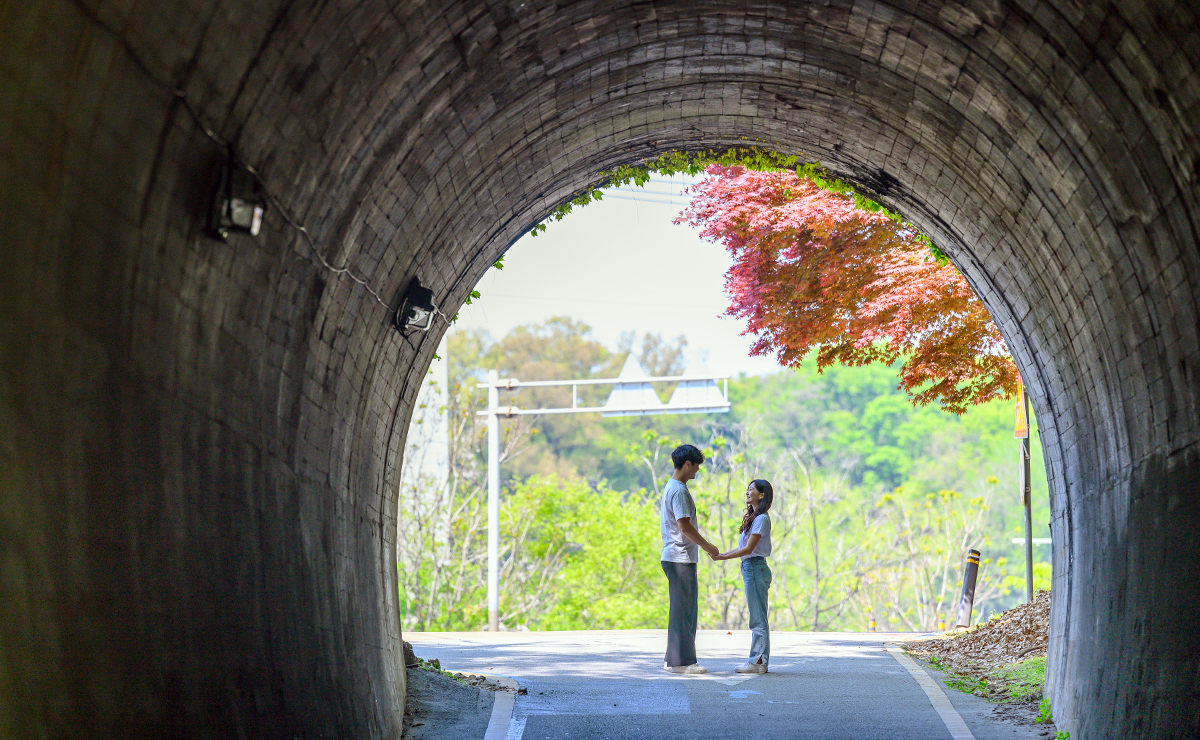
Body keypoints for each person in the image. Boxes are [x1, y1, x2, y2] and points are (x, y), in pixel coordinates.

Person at [660, 444, 720, 674]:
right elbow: (684, 525)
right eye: (696, 467)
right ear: (687, 464)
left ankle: (673, 659)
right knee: (684, 611)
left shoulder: (672, 486)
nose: (697, 472)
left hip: (676, 556)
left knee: (681, 609)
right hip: (679, 556)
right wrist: (707, 546)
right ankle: (682, 663)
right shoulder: (679, 491)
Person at [713, 479, 774, 673]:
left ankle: (757, 662)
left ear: (761, 495)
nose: (747, 492)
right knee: (757, 616)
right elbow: (743, 549)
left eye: (751, 490)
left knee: (757, 618)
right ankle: (758, 660)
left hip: (755, 568)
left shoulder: (762, 518)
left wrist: (723, 557)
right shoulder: (755, 518)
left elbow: (748, 548)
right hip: (750, 568)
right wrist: (722, 555)